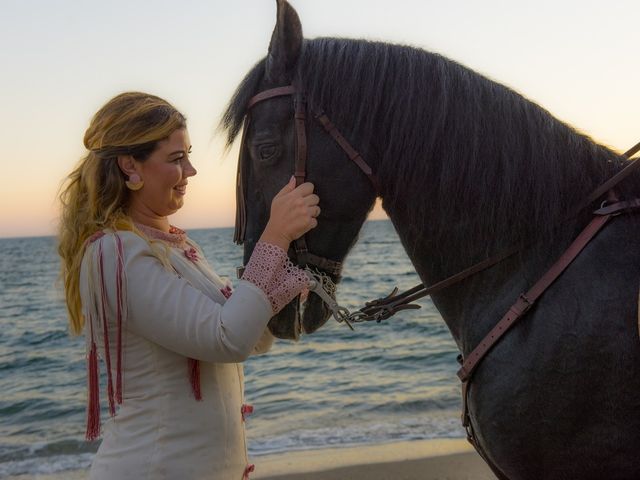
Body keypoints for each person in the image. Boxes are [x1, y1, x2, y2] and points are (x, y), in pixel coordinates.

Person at [57, 91, 320, 480]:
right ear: (131, 166)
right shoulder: (113, 253)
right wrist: (275, 235)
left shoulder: (181, 248)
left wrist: (288, 276)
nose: (191, 170)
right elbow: (227, 339)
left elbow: (251, 340)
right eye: (177, 159)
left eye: (188, 155)